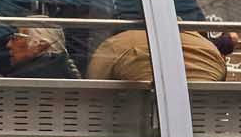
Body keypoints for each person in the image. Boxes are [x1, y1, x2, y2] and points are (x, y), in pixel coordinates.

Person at [87, 26, 229, 85]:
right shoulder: (211, 50)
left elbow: (92, 92)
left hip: (129, 132)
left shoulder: (117, 45)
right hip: (199, 133)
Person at [3, 24, 79, 79]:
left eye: (16, 37)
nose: (8, 44)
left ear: (41, 45)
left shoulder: (25, 79)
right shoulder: (61, 69)